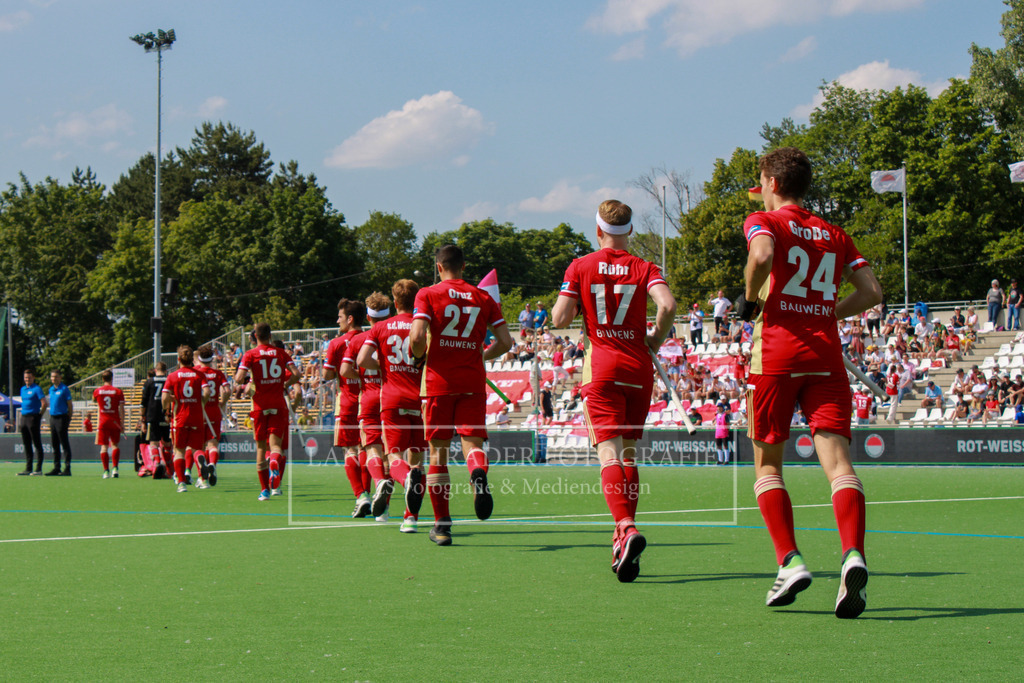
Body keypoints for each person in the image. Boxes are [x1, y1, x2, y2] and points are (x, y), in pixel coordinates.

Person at [741, 147, 881, 619]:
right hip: (825, 354)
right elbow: (872, 293)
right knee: (840, 465)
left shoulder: (765, 219)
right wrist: (826, 313)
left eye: (761, 181)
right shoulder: (835, 233)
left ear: (772, 183)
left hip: (777, 353)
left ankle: (790, 561)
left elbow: (760, 255)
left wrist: (749, 300)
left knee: (767, 467)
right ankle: (853, 555)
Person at [550, 199, 676, 582]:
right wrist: (654, 339)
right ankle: (624, 536)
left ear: (598, 230)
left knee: (608, 456)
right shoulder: (644, 267)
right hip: (638, 368)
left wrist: (578, 313)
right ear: (631, 232)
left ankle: (625, 526)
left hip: (601, 366)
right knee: (630, 456)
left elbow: (559, 318)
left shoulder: (581, 266)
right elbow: (667, 305)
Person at [410, 245, 514, 546]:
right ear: (464, 267)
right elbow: (506, 341)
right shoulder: (483, 297)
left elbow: (417, 337)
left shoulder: (427, 294)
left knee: (438, 454)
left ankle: (442, 526)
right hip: (472, 381)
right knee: (472, 442)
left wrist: (419, 356)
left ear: (439, 267)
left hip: (438, 383)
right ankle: (478, 472)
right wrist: (481, 357)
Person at [358, 280, 429, 529]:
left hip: (392, 399)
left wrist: (385, 365)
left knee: (394, 455)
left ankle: (405, 478)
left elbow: (362, 359)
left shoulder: (381, 328)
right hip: (420, 399)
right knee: (418, 461)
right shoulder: (424, 326)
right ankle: (410, 518)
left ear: (395, 302)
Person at [341, 293, 399, 524]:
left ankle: (377, 485)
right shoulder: (394, 333)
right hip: (392, 395)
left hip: (369, 396)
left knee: (371, 446)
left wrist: (363, 377)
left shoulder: (358, 340)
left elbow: (345, 371)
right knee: (392, 452)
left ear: (368, 316)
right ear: (390, 313)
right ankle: (385, 510)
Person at [235, 323, 300, 500]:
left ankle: (264, 491)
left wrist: (242, 380)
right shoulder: (280, 353)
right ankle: (274, 463)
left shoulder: (250, 354)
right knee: (276, 446)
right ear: (270, 336)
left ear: (255, 336)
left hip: (260, 406)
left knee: (260, 448)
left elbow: (239, 378)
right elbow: (297, 373)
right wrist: (285, 384)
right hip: (278, 404)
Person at [323, 299, 372, 517]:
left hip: (347, 402)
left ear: (350, 319)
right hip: (370, 399)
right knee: (368, 450)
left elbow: (327, 375)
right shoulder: (372, 337)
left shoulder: (336, 343)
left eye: (340, 317)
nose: (337, 321)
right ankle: (370, 494)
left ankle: (360, 496)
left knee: (349, 450)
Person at [162, 346, 212, 493]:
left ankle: (182, 483)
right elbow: (207, 391)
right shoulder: (199, 375)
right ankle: (203, 479)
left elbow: (165, 397)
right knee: (197, 449)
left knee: (179, 451)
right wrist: (202, 402)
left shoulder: (173, 376)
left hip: (180, 418)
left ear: (179, 359)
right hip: (196, 416)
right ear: (192, 360)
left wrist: (166, 407)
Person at [195, 344, 230, 487]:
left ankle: (202, 479)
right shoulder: (217, 373)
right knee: (213, 444)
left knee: (199, 446)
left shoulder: (195, 372)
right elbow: (227, 390)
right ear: (212, 358)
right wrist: (222, 403)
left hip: (199, 411)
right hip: (214, 410)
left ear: (199, 358)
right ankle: (212, 465)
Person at [140, 363, 172, 480]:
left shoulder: (149, 382)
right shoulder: (170, 379)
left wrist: (142, 418)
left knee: (153, 442)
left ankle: (157, 463)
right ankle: (168, 469)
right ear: (166, 370)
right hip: (166, 416)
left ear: (155, 370)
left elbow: (143, 402)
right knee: (167, 444)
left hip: (152, 415)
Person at [92, 370, 125, 479]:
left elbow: (94, 401)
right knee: (115, 445)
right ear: (112, 378)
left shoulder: (97, 391)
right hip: (115, 421)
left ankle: (106, 471)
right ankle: (115, 468)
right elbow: (121, 409)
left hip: (103, 422)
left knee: (104, 447)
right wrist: (122, 424)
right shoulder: (118, 392)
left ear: (102, 379)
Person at [17, 369, 47, 475]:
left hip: (33, 417)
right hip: (24, 417)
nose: (27, 380)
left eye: (29, 377)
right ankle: (28, 468)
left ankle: (38, 469)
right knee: (26, 444)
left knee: (37, 443)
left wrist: (39, 415)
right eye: (25, 378)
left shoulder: (37, 389)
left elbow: (44, 403)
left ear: (33, 378)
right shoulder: (22, 389)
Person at [45, 370, 73, 476]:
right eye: (52, 377)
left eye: (56, 377)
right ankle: (56, 467)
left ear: (60, 377)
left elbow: (70, 405)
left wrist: (69, 417)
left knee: (64, 443)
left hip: (62, 417)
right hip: (53, 418)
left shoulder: (64, 389)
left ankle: (67, 468)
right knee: (55, 444)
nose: (54, 379)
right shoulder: (51, 389)